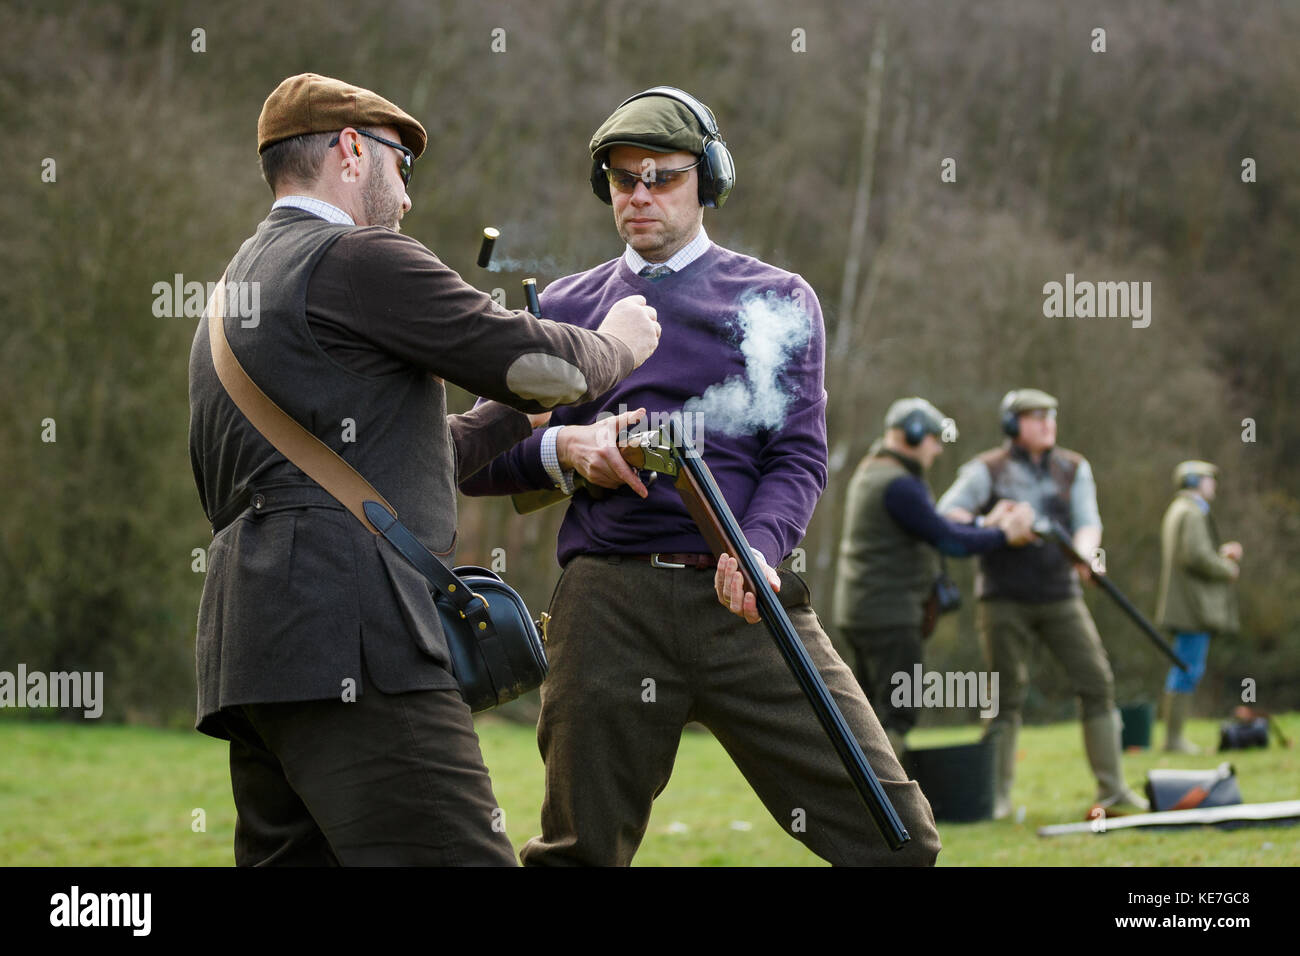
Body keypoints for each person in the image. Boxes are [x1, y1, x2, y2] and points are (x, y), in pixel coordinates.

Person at [187, 73, 660, 865]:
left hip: (256, 651)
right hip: (355, 639)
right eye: (400, 165)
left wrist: (515, 419)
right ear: (349, 150)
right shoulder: (356, 256)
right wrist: (618, 344)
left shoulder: (235, 287)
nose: (405, 198)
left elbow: (367, 464)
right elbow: (542, 362)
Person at [461, 87, 941, 865]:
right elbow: (478, 459)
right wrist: (572, 449)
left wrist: (757, 549)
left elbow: (799, 455)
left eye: (662, 176)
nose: (639, 195)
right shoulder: (562, 308)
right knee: (577, 855)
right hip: (608, 603)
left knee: (895, 840)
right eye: (622, 179)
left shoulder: (777, 299)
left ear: (708, 177)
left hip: (746, 589)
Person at [936, 389, 1148, 817]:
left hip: (1060, 593)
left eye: (1051, 415)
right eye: (1036, 417)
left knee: (1096, 680)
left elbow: (1088, 523)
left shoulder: (1074, 467)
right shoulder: (985, 469)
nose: (1048, 423)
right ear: (1013, 425)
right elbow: (946, 515)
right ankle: (995, 800)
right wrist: (991, 522)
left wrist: (1087, 555)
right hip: (1002, 597)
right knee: (1004, 696)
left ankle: (1112, 790)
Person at [832, 397, 1036, 757]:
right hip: (889, 618)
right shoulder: (900, 485)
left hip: (859, 612)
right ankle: (884, 798)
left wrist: (984, 523)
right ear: (912, 435)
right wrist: (1004, 534)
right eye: (933, 439)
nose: (938, 450)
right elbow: (948, 541)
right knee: (898, 712)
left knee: (864, 715)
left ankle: (854, 792)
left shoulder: (871, 471)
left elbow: (932, 525)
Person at [1154, 460, 1242, 753]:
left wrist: (1218, 554)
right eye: (1208, 479)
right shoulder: (1191, 513)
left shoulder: (1180, 510)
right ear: (1194, 481)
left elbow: (1194, 553)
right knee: (1188, 668)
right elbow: (1195, 557)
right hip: (1192, 605)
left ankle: (1173, 737)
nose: (1213, 484)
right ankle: (1174, 739)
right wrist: (1226, 566)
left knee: (1184, 665)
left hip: (1186, 603)